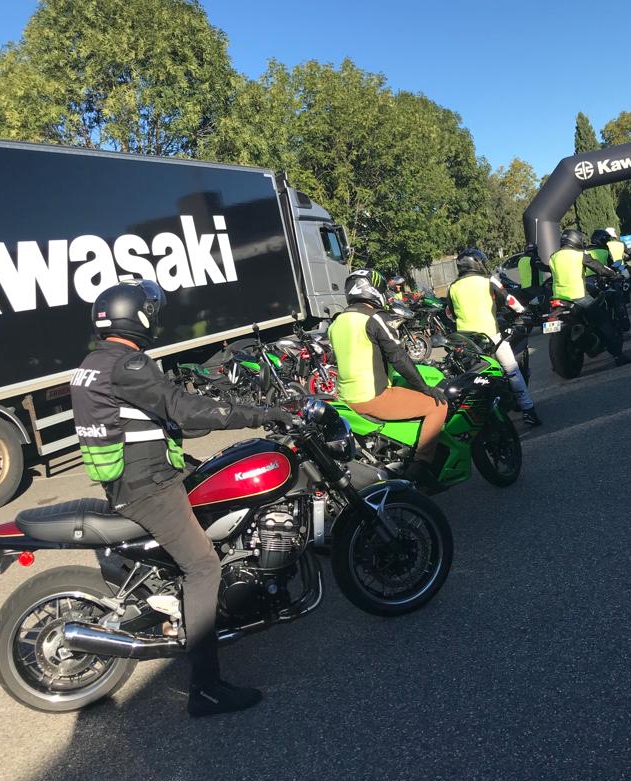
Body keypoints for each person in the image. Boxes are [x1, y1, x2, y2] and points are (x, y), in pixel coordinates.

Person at [70, 280, 291, 718]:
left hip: (138, 477)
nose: (157, 319)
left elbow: (159, 414)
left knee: (217, 487)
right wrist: (260, 414)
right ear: (136, 316)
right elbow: (182, 408)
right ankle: (206, 690)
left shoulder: (94, 362)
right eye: (152, 312)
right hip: (148, 487)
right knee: (203, 565)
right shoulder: (129, 363)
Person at [328, 269, 448, 486]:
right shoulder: (375, 317)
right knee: (437, 405)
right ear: (372, 290)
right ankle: (421, 465)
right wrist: (425, 388)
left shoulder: (337, 322)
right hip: (373, 396)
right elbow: (398, 357)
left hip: (345, 397)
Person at [447, 248, 542, 426]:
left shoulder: (453, 287)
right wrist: (522, 310)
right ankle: (528, 410)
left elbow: (450, 313)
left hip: (466, 343)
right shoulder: (488, 280)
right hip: (491, 338)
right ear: (476, 264)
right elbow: (509, 299)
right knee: (512, 370)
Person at [549, 229, 631, 366]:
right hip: (578, 296)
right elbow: (599, 267)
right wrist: (614, 275)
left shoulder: (553, 256)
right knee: (604, 322)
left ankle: (558, 361)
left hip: (558, 299)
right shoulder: (579, 255)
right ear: (575, 240)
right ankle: (618, 355)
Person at [606, 226, 631, 305]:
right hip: (621, 267)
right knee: (629, 282)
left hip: (611, 268)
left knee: (612, 285)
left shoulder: (605, 245)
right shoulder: (620, 243)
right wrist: (628, 257)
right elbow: (629, 253)